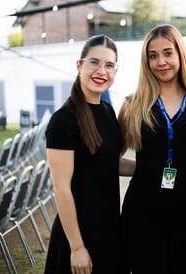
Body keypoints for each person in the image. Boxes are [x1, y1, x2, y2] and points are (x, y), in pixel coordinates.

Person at [118, 24, 186, 274]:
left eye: (168, 53)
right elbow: (113, 159)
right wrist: (147, 168)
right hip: (142, 213)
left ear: (180, 54)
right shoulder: (132, 104)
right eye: (153, 55)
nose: (161, 62)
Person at [44, 34, 134, 274]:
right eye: (94, 62)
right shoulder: (63, 120)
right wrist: (77, 247)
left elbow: (109, 164)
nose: (101, 70)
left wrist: (149, 167)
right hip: (78, 237)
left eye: (109, 65)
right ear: (79, 65)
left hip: (108, 232)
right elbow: (61, 188)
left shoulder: (106, 111)